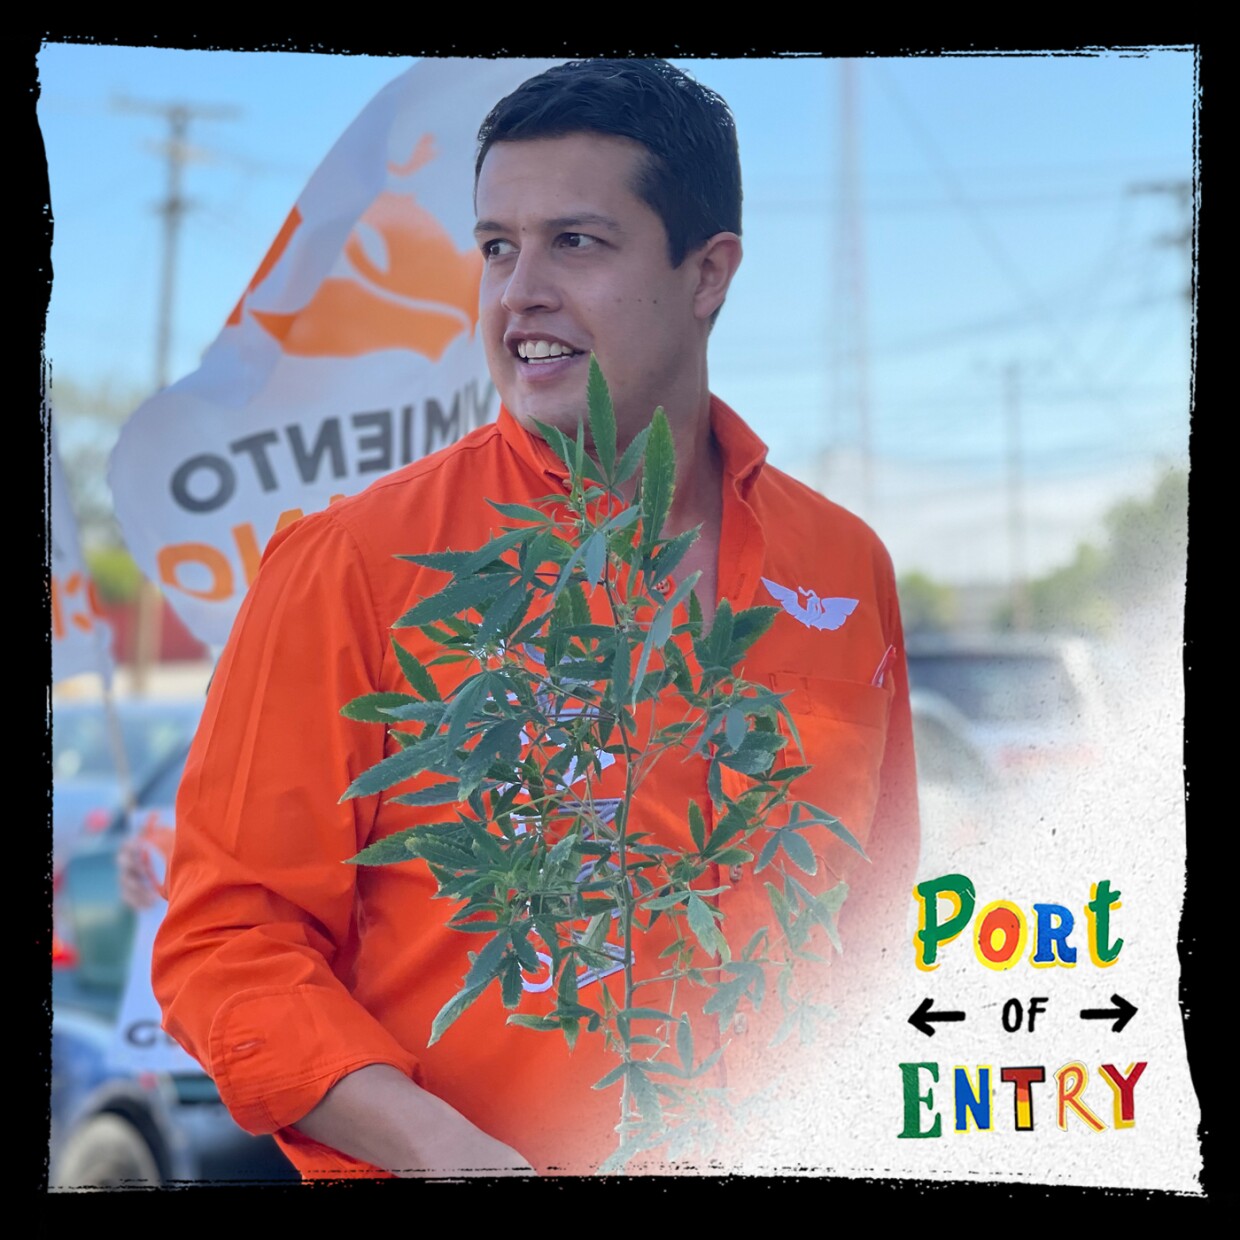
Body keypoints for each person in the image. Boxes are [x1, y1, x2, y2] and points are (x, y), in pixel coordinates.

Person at [151, 58, 920, 1179]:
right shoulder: (353, 566)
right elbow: (230, 944)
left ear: (708, 273)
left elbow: (879, 920)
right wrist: (454, 1156)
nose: (518, 294)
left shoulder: (844, 566)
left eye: (577, 242)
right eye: (497, 247)